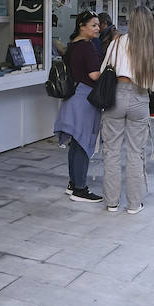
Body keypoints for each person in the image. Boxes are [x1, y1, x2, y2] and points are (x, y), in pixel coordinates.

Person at [98, 5, 154, 213]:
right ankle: (134, 204)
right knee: (136, 153)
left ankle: (111, 202)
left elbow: (104, 70)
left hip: (116, 95)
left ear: (130, 22)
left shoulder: (118, 42)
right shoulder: (153, 48)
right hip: (139, 97)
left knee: (111, 152)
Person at [54, 10, 105, 203]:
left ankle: (73, 183)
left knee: (75, 143)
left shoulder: (72, 45)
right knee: (83, 144)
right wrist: (111, 73)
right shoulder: (87, 46)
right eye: (93, 25)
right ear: (81, 27)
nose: (98, 28)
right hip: (84, 99)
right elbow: (93, 75)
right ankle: (80, 189)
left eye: (98, 25)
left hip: (73, 97)